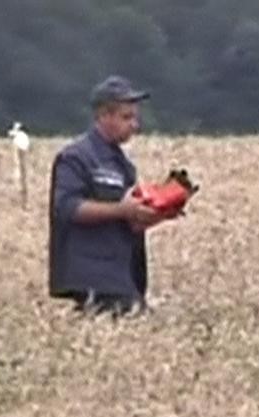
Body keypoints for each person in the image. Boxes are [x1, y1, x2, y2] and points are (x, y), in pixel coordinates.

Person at [48, 75, 175, 317]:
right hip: (92, 273)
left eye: (135, 117)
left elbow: (129, 222)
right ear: (104, 116)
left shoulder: (123, 166)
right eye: (126, 117)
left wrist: (158, 212)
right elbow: (66, 208)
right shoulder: (76, 158)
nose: (135, 125)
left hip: (122, 273)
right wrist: (122, 210)